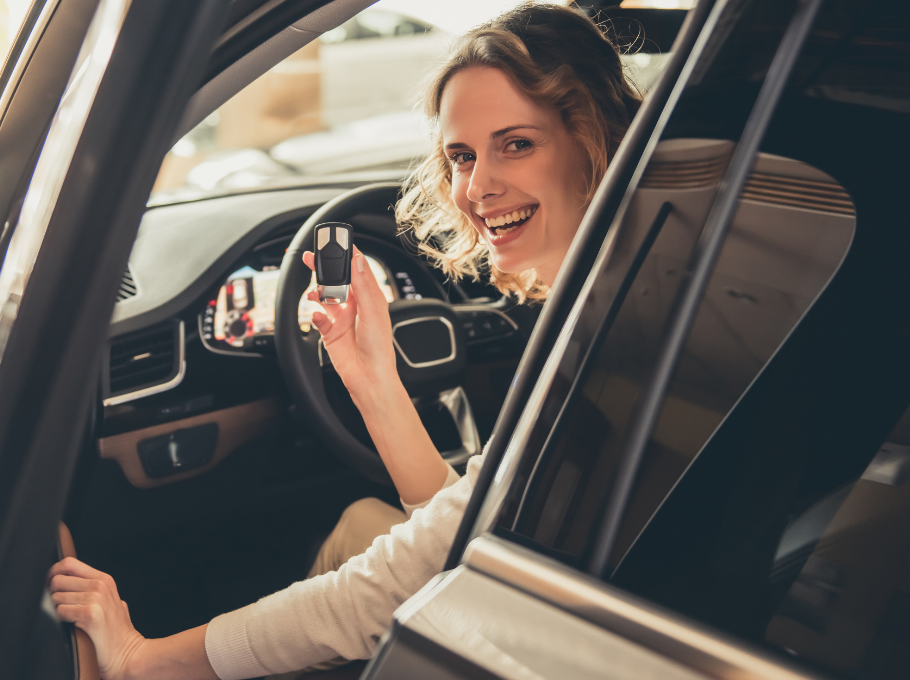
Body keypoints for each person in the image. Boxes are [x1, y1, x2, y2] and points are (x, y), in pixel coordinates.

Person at [48, 4, 642, 679]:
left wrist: (142, 658)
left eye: (517, 143)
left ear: (593, 138)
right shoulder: (631, 293)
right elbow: (475, 523)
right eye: (461, 156)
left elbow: (380, 594)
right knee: (361, 519)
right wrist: (374, 380)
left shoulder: (616, 341)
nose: (477, 188)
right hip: (564, 621)